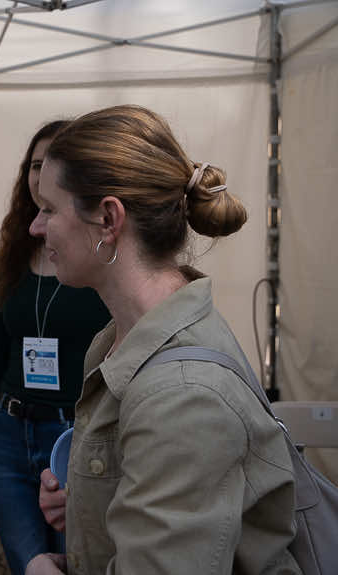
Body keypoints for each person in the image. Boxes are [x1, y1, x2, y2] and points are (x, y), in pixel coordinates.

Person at [24, 105, 300, 574]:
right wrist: (93, 510)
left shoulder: (182, 393)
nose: (35, 226)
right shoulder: (122, 341)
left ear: (109, 220)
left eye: (49, 208)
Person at [0, 121, 110, 575]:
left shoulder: (98, 256)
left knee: (79, 562)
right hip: (7, 434)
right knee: (28, 565)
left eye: (50, 165)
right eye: (33, 164)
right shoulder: (11, 252)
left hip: (74, 435)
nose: (39, 174)